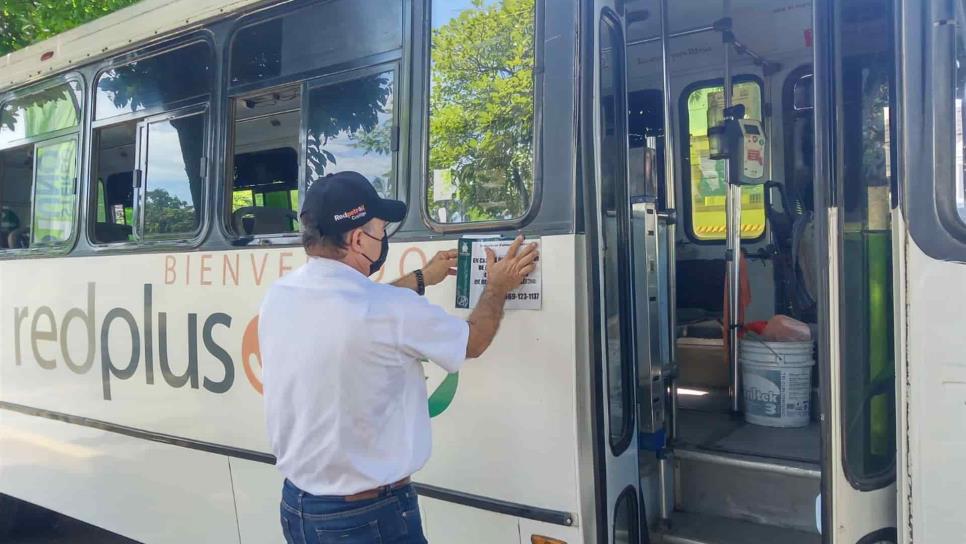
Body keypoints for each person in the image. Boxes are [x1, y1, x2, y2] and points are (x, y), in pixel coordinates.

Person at [259, 171, 538, 544]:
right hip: (369, 518)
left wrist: (421, 278)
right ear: (358, 238)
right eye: (380, 229)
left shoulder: (281, 296)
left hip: (300, 507)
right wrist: (498, 286)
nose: (383, 237)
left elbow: (359, 309)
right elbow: (471, 342)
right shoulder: (389, 309)